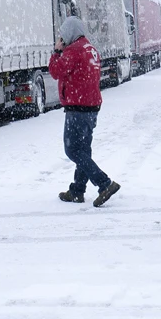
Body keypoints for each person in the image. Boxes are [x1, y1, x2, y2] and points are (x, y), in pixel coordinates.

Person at [48, 16, 121, 207]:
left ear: (70, 33)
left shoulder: (73, 51)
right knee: (83, 150)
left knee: (72, 150)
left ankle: (104, 183)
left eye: (62, 36)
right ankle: (77, 191)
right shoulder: (90, 49)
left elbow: (56, 72)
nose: (61, 40)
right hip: (91, 107)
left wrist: (57, 51)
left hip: (77, 108)